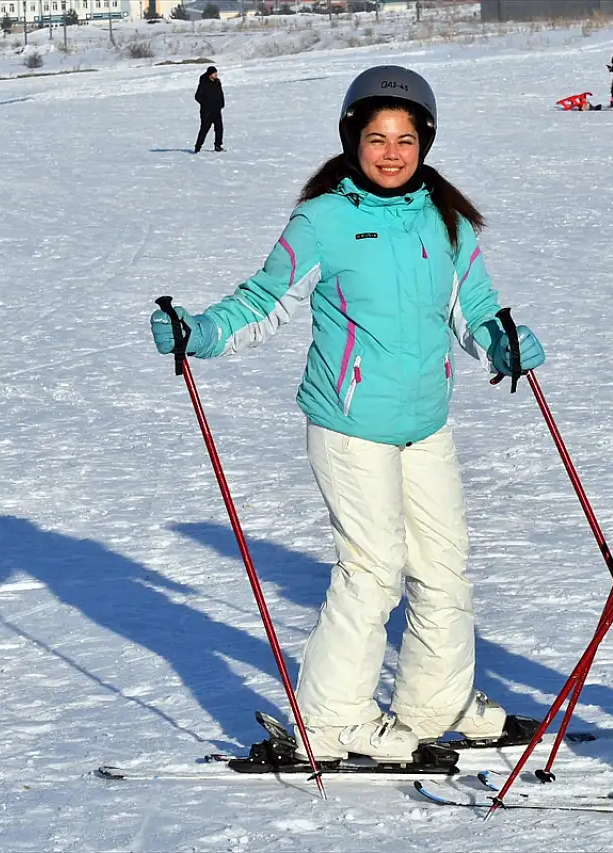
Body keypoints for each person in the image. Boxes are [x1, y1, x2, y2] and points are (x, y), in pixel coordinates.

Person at [148, 65, 546, 763]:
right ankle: (331, 718)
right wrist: (202, 331)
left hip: (425, 421)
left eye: (404, 138)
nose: (390, 152)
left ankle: (433, 700)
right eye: (375, 138)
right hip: (348, 422)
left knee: (444, 565)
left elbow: (474, 307)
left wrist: (501, 343)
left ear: (424, 140)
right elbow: (265, 299)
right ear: (351, 140)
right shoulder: (324, 219)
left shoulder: (444, 220)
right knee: (373, 566)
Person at [194, 66, 225, 153]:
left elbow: (220, 94)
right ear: (210, 74)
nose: (216, 74)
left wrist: (221, 103)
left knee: (219, 128)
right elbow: (197, 96)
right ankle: (198, 147)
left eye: (216, 73)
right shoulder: (204, 83)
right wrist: (206, 104)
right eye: (214, 73)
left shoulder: (217, 82)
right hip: (206, 111)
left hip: (217, 110)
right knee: (204, 129)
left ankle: (218, 145)